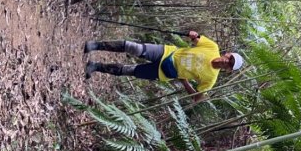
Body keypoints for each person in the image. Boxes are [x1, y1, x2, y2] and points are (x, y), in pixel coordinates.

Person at [84, 31, 243, 102]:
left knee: (129, 70)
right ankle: (95, 45)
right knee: (135, 48)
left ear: (228, 70)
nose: (226, 62)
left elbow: (198, 97)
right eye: (229, 59)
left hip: (164, 72)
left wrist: (185, 82)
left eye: (229, 65)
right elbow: (196, 38)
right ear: (227, 54)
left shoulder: (211, 78)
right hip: (167, 53)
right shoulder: (212, 47)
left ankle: (95, 66)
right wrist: (193, 35)